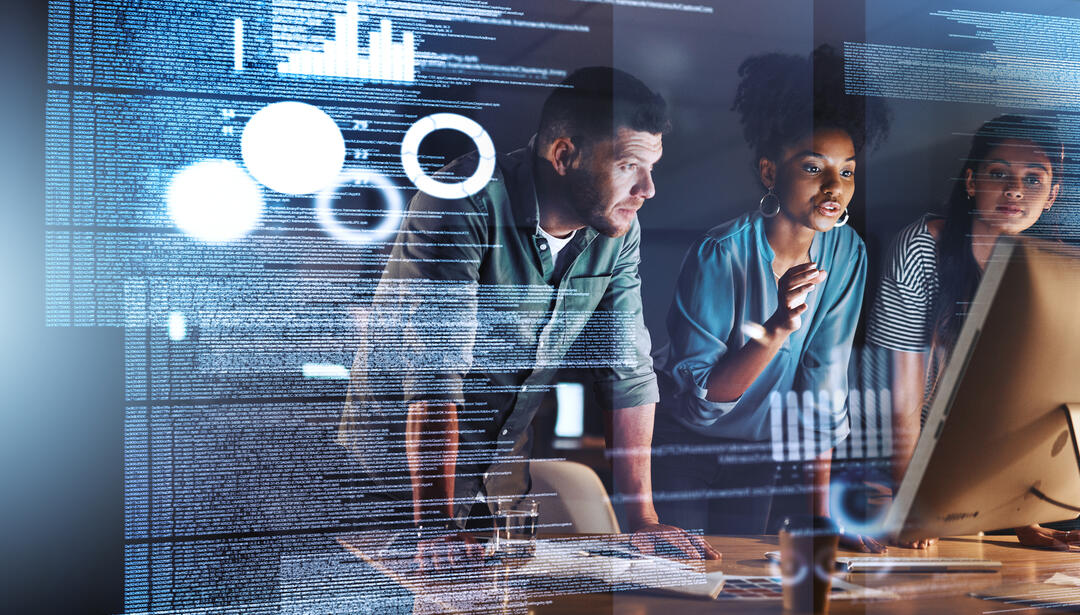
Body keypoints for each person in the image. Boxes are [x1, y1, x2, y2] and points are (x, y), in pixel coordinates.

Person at [339, 66, 719, 568]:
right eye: (629, 165)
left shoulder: (619, 230)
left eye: (653, 167)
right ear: (564, 156)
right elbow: (435, 378)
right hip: (398, 495)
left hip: (502, 496)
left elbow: (627, 372)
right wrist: (434, 527)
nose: (648, 189)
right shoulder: (462, 199)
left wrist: (643, 518)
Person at [651, 46, 889, 550]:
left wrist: (820, 520)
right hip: (684, 450)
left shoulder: (847, 253)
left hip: (760, 453)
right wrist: (780, 324)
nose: (835, 187)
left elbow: (825, 385)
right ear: (768, 173)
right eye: (813, 168)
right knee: (682, 591)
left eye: (846, 171)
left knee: (734, 592)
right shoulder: (720, 254)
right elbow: (702, 400)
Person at [866, 114, 1078, 550]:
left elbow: (1022, 403)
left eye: (1033, 179)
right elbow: (899, 400)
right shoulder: (922, 246)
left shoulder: (1051, 270)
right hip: (892, 465)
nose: (1015, 189)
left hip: (976, 480)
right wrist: (914, 507)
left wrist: (1024, 515)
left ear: (1053, 194)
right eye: (998, 174)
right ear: (970, 182)